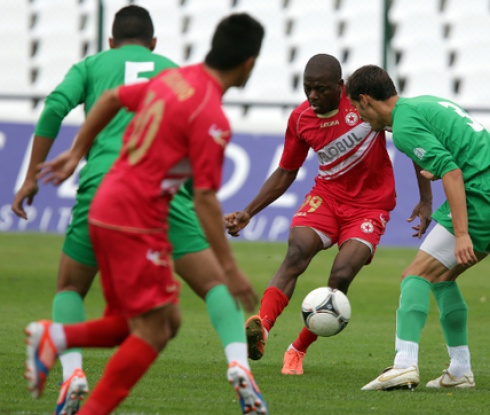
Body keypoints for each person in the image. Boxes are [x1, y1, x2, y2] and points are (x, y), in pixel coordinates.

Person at [23, 12, 268, 415]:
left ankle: (59, 339)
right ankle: (55, 339)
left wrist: (77, 152)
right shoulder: (211, 116)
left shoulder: (176, 79)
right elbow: (204, 198)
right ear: (248, 64)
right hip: (133, 217)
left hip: (108, 203)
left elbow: (110, 99)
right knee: (155, 328)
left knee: (159, 321)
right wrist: (229, 268)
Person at [12, 6, 177, 414]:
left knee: (70, 287)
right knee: (154, 317)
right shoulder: (173, 72)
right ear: (154, 43)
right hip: (152, 196)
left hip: (103, 187)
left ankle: (72, 374)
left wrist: (31, 176)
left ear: (111, 42)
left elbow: (54, 108)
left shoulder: (92, 65)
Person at [224, 54, 432, 376]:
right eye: (307, 88)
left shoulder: (363, 105)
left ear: (340, 86)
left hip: (370, 206)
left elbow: (412, 139)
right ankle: (261, 328)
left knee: (341, 275)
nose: (312, 96)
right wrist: (248, 212)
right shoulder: (300, 119)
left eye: (320, 89)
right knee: (296, 252)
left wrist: (426, 198)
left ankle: (298, 348)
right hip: (327, 198)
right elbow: (286, 171)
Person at [345, 64, 489, 391]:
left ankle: (404, 365)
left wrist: (462, 234)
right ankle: (460, 370)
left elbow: (451, 172)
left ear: (366, 100)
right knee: (442, 277)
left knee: (415, 275)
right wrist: (426, 199)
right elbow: (440, 153)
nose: (359, 116)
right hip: (484, 185)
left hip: (481, 195)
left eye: (356, 108)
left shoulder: (405, 126)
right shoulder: (420, 105)